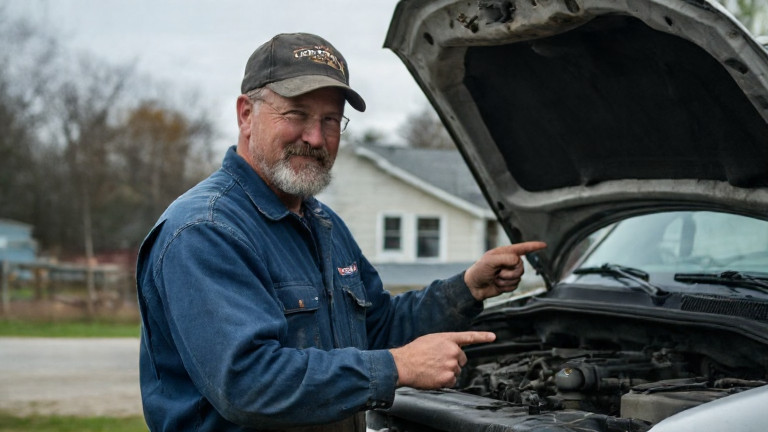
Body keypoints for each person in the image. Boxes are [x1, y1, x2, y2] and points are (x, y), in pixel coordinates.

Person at [136, 32, 546, 432]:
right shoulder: (205, 231)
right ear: (246, 114)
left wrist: (467, 289)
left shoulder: (322, 224)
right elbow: (247, 383)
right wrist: (397, 367)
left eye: (330, 120)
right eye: (296, 114)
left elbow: (378, 329)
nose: (315, 137)